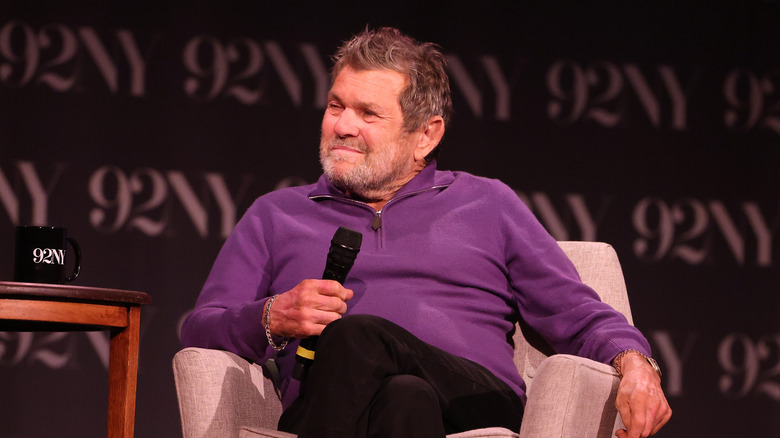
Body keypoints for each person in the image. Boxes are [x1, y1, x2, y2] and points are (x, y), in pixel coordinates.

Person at [181, 27, 671, 438]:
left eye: (368, 114)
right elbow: (200, 328)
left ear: (426, 135)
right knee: (404, 398)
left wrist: (636, 364)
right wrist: (271, 315)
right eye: (336, 106)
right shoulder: (276, 215)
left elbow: (577, 313)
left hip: (474, 398)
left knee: (357, 337)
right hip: (345, 408)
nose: (343, 126)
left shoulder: (488, 204)